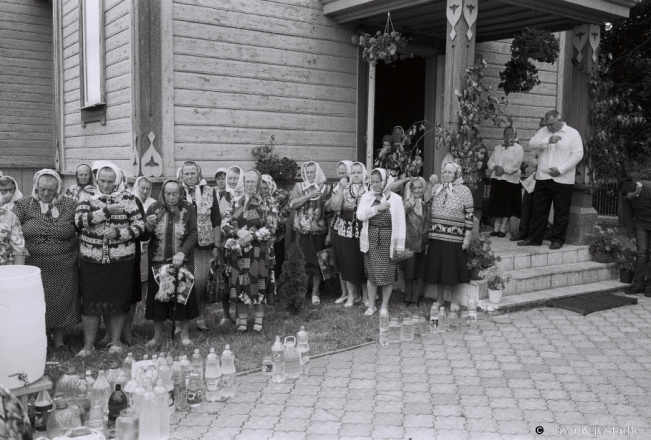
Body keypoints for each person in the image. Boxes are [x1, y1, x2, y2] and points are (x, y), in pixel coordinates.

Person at [74, 163, 144, 356]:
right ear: (97, 179)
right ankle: (88, 346)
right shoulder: (87, 195)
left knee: (119, 301)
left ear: (118, 181)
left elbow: (139, 225)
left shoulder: (129, 197)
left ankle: (115, 343)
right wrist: (105, 212)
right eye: (102, 181)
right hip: (91, 259)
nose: (106, 185)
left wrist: (119, 233)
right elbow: (79, 221)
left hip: (121, 260)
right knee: (90, 303)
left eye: (110, 181)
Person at [13, 170, 80, 349]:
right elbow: (12, 229)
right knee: (36, 301)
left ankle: (58, 341)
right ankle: (39, 338)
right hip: (33, 265)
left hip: (64, 264)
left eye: (51, 190)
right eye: (42, 189)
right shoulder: (23, 205)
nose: (46, 194)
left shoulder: (71, 205)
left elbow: (82, 227)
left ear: (58, 188)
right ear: (35, 186)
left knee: (60, 301)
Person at [143, 179, 199, 346]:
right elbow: (144, 236)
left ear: (180, 193)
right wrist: (148, 225)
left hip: (182, 261)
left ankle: (184, 336)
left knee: (182, 297)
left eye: (175, 193)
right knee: (158, 299)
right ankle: (157, 336)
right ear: (162, 194)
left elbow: (193, 233)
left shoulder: (188, 208)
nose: (172, 197)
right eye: (168, 193)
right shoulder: (153, 208)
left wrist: (182, 252)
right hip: (157, 261)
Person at [222, 169, 278, 332]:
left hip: (259, 252)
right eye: (247, 181)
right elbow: (225, 223)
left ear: (259, 183)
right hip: (238, 252)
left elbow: (271, 227)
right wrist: (238, 233)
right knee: (240, 284)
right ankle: (243, 322)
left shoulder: (268, 203)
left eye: (253, 182)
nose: (249, 184)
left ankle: (258, 322)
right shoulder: (235, 201)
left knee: (259, 284)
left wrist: (250, 236)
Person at [518, 110, 583, 249]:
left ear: (560, 120)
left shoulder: (573, 133)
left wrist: (560, 170)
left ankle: (558, 240)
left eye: (551, 124)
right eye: (547, 124)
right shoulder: (543, 132)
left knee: (561, 211)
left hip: (563, 179)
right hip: (543, 176)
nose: (549, 127)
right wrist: (547, 140)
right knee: (539, 210)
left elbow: (577, 155)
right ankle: (535, 239)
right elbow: (532, 144)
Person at [177, 161, 221, 332]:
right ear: (181, 175)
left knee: (201, 283)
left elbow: (216, 221)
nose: (189, 177)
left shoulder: (209, 191)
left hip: (204, 245)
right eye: (186, 174)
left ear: (199, 174)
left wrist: (216, 246)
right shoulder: (177, 191)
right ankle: (181, 322)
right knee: (182, 281)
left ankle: (201, 318)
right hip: (182, 246)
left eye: (192, 173)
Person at [357, 168, 406, 316]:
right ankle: (372, 306)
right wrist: (377, 208)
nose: (375, 185)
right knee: (371, 274)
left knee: (388, 274)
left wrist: (400, 246)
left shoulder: (396, 199)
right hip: (371, 239)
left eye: (378, 182)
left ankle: (384, 305)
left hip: (388, 240)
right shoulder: (367, 197)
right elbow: (360, 215)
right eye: (372, 182)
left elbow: (400, 223)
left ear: (384, 181)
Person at [424, 161, 474, 304]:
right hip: (437, 235)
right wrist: (429, 184)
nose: (446, 174)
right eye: (444, 171)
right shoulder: (436, 188)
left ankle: (454, 301)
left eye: (450, 172)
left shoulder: (464, 191)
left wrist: (467, 237)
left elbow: (469, 214)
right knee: (438, 270)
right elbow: (426, 201)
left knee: (452, 271)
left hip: (454, 237)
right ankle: (439, 299)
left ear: (456, 173)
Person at [288, 162, 332, 305]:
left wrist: (330, 233)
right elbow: (292, 204)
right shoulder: (299, 187)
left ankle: (315, 292)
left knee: (318, 263)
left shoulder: (326, 188)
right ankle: (302, 290)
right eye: (307, 173)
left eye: (313, 172)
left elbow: (330, 213)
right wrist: (309, 195)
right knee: (301, 261)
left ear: (317, 172)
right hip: (301, 232)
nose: (310, 175)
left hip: (319, 232)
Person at [120, 176, 157, 343]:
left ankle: (126, 331)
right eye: (142, 187)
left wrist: (147, 227)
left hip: (132, 251)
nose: (145, 191)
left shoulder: (133, 201)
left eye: (148, 188)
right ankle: (110, 333)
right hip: (110, 255)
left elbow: (143, 231)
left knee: (133, 293)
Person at [330, 162, 369, 307]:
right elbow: (335, 207)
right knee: (348, 265)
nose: (356, 175)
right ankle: (351, 297)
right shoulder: (344, 189)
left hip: (364, 233)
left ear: (364, 173)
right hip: (345, 233)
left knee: (364, 265)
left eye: (359, 172)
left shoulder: (369, 189)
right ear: (349, 174)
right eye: (353, 173)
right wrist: (340, 188)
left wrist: (352, 206)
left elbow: (372, 209)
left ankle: (365, 297)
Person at [511, 117, 546, 242]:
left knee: (539, 209)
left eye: (544, 125)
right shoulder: (537, 140)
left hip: (548, 179)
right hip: (536, 177)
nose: (542, 127)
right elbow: (531, 158)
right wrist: (541, 165)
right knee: (526, 203)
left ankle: (535, 234)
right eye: (541, 124)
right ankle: (523, 232)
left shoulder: (554, 139)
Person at [487, 126, 524, 237]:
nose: (507, 136)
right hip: (497, 179)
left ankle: (503, 229)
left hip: (510, 180)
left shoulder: (518, 149)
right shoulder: (498, 148)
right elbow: (490, 161)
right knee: (497, 204)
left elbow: (516, 164)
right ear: (503, 135)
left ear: (514, 135)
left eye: (510, 134)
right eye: (506, 134)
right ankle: (496, 228)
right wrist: (495, 167)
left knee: (507, 205)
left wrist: (504, 170)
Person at [620, 178, 651, 297]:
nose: (629, 199)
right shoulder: (626, 194)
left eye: (631, 197)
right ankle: (638, 285)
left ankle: (650, 286)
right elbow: (627, 215)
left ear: (637, 189)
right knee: (642, 253)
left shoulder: (648, 189)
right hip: (640, 225)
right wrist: (631, 235)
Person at [402, 177, 431, 305]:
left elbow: (431, 222)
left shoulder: (427, 204)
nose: (417, 190)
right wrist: (407, 206)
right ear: (410, 189)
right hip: (410, 241)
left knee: (421, 271)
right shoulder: (407, 203)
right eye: (414, 188)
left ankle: (416, 297)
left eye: (420, 187)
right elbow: (400, 218)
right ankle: (408, 296)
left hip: (424, 241)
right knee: (409, 270)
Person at [329, 160, 353, 304]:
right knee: (339, 260)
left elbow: (341, 206)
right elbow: (333, 208)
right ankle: (344, 292)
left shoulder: (353, 187)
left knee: (349, 260)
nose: (342, 175)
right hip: (336, 226)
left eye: (345, 172)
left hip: (350, 227)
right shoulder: (336, 186)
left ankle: (354, 294)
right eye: (340, 172)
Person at [214, 168, 236, 325]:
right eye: (220, 178)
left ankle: (240, 314)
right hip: (221, 241)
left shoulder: (237, 196)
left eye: (226, 177)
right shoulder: (214, 195)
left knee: (238, 277)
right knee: (224, 277)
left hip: (237, 240)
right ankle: (226, 314)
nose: (223, 181)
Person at [260, 174, 290, 283]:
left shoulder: (281, 195)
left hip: (277, 236)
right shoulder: (256, 197)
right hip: (260, 237)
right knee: (262, 263)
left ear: (271, 185)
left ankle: (277, 287)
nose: (264, 191)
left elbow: (285, 215)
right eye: (261, 188)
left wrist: (269, 227)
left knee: (276, 262)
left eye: (266, 187)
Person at [0, 177, 26, 266]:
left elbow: (19, 248)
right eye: (4, 190)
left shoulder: (21, 203)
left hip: (9, 257)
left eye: (10, 189)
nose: (8, 193)